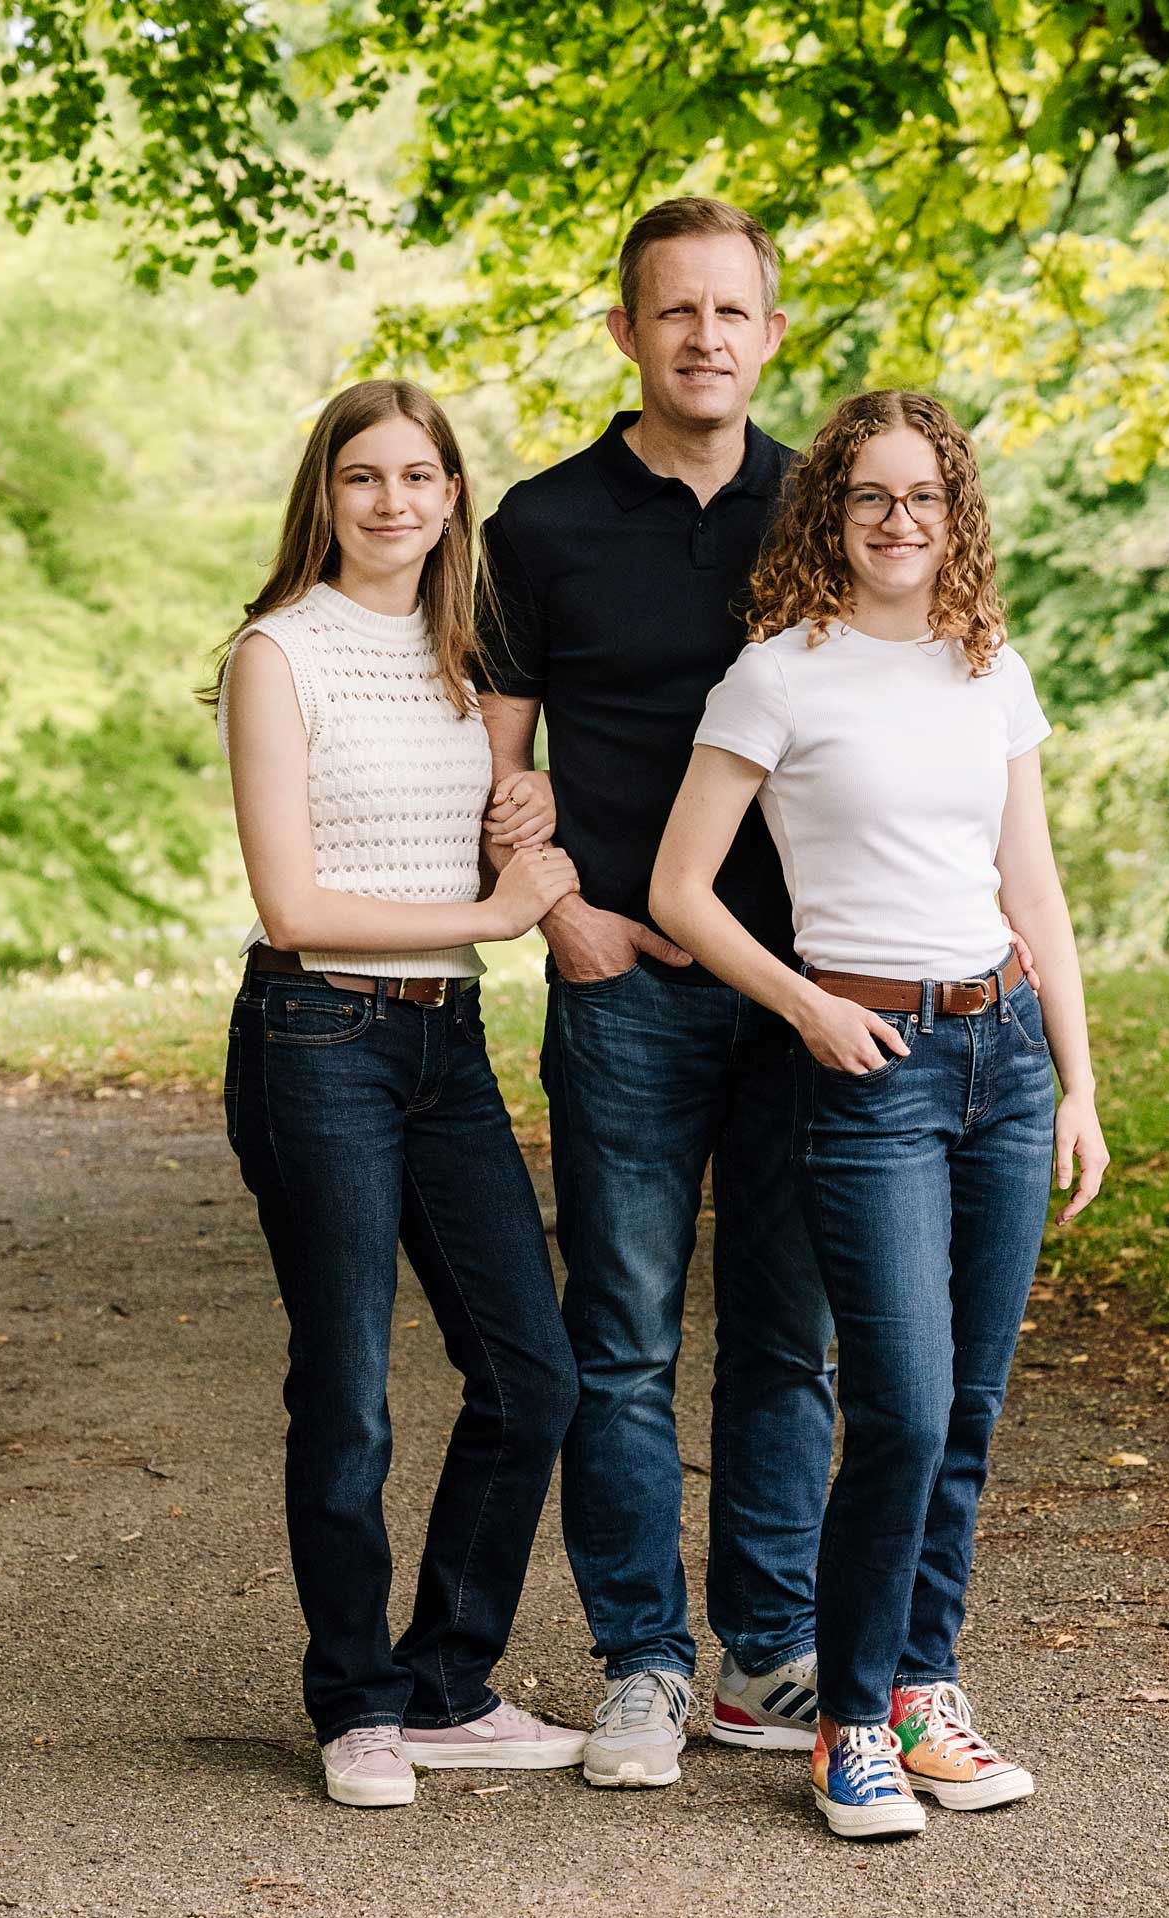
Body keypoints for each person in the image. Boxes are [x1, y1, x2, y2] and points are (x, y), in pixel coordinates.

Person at [651, 389, 1109, 1838]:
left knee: (966, 1411)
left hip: (1005, 1054)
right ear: (829, 516)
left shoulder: (991, 670)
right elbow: (675, 892)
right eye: (869, 499)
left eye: (923, 497)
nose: (898, 522)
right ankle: (845, 1723)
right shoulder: (779, 677)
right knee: (900, 1412)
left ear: (954, 513)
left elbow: (1031, 894)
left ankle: (922, 1689)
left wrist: (1080, 1085)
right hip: (868, 1069)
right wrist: (802, 1005)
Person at [475, 199, 838, 1787]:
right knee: (618, 1339)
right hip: (622, 990)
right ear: (622, 333)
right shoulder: (540, 527)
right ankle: (640, 1664)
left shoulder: (826, 516)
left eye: (731, 312)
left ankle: (764, 1660)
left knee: (789, 1337)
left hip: (809, 991)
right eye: (671, 311)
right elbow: (485, 767)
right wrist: (566, 919)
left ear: (770, 332)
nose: (704, 337)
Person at [209, 378, 587, 1807]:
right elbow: (291, 900)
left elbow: (486, 808)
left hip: (445, 1046)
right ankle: (355, 1704)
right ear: (326, 495)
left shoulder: (457, 658)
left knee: (532, 1373)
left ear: (450, 499)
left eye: (418, 477)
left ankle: (443, 1682)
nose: (392, 502)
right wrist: (494, 913)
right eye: (362, 477)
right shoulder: (275, 654)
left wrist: (524, 809)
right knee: (349, 1388)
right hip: (317, 1041)